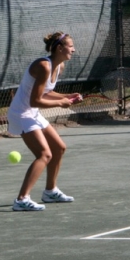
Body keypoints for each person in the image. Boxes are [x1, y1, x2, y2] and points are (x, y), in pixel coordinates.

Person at [7, 32, 83, 211]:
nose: (74, 49)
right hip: (21, 113)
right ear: (59, 48)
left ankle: (50, 191)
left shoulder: (59, 66)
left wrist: (67, 96)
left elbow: (45, 92)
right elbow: (35, 100)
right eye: (71, 46)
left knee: (59, 148)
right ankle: (21, 199)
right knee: (44, 154)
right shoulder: (43, 66)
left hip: (32, 112)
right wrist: (61, 103)